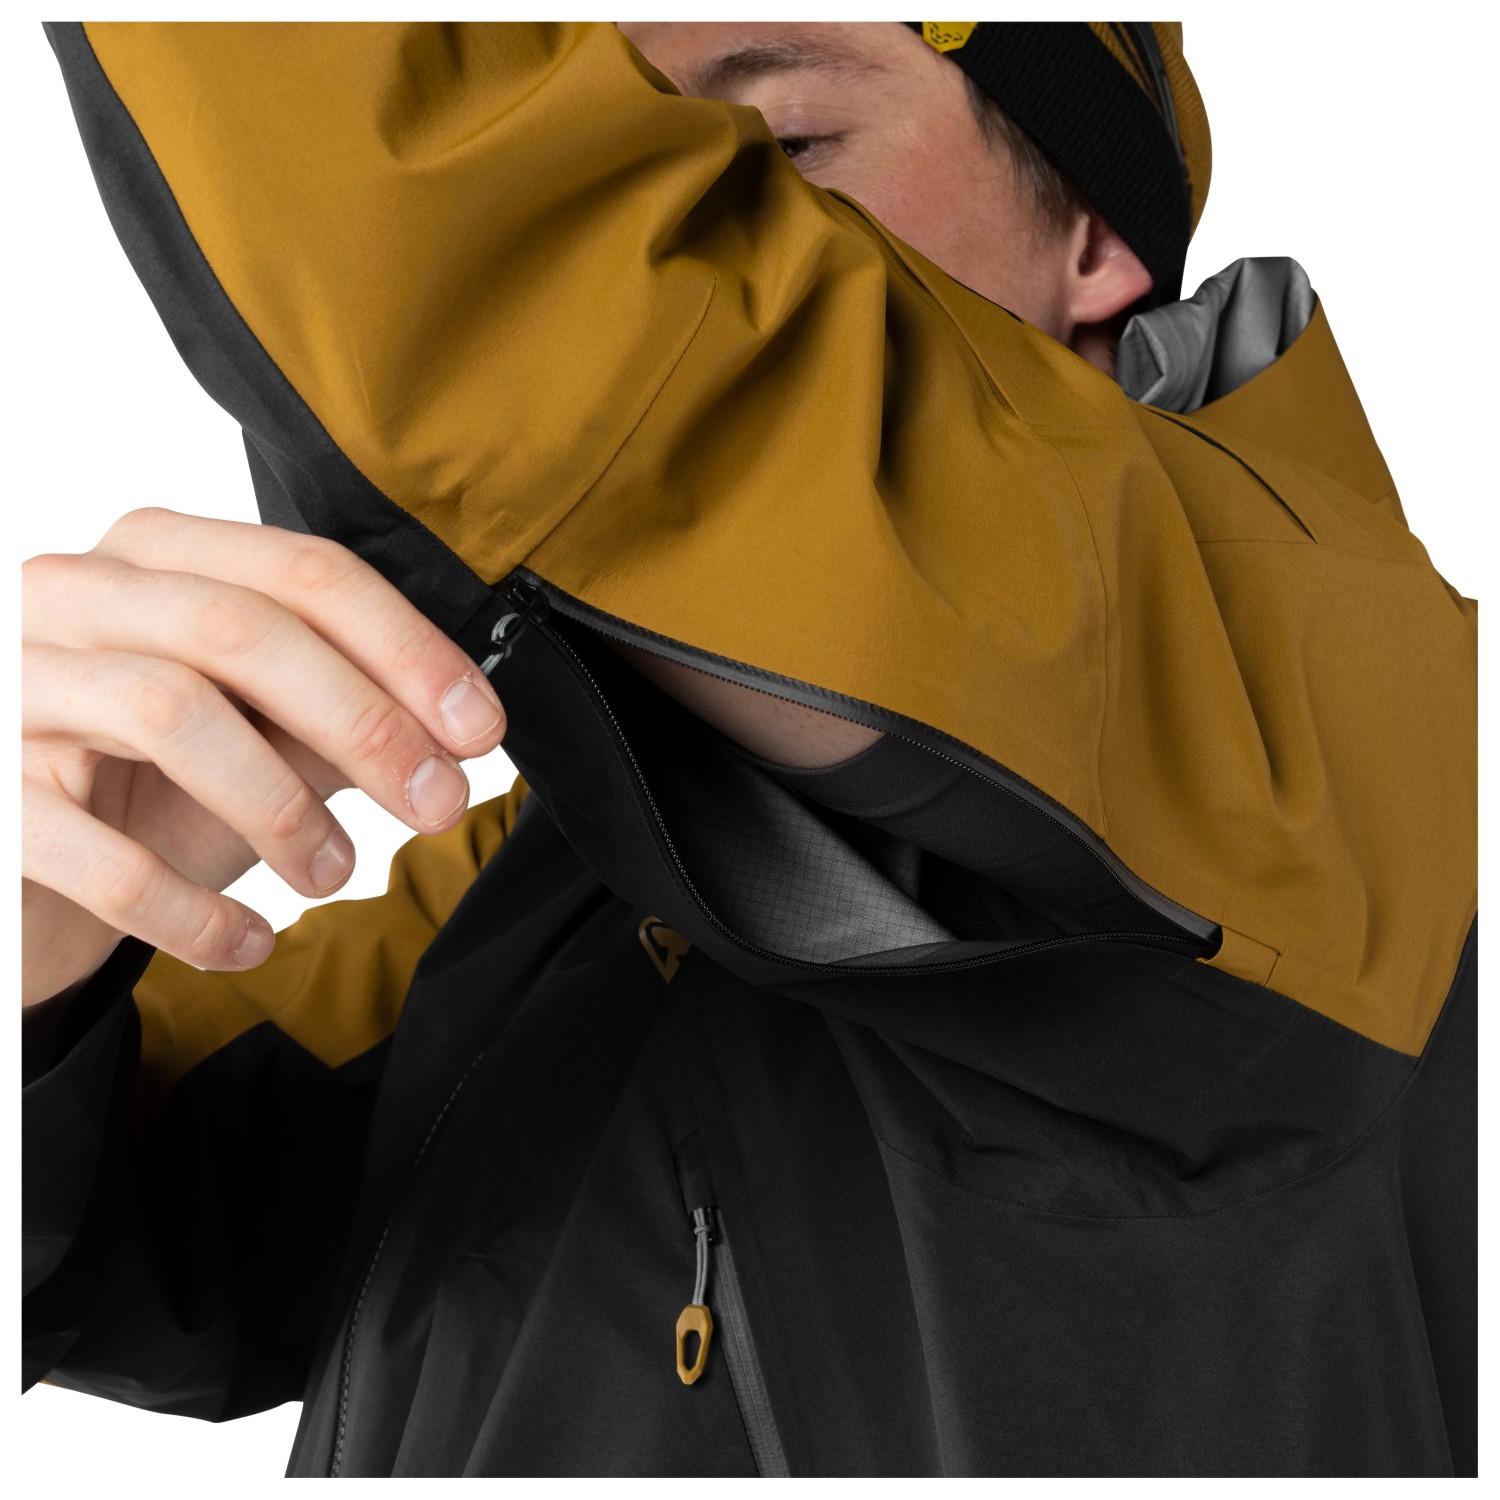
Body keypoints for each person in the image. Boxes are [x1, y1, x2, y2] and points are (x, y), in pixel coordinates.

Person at [21, 21, 1475, 1477]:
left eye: (763, 158)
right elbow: (112, 1264)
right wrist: (34, 976)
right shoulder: (545, 879)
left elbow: (510, 309)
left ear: (1093, 230)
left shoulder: (1341, 681)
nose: (681, 236)